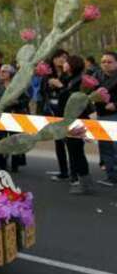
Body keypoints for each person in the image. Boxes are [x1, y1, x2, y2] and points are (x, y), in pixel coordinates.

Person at [60, 55, 92, 194]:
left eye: (66, 62)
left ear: (72, 64)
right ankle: (78, 180)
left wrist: (61, 87)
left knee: (76, 151)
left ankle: (84, 183)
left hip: (77, 119)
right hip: (69, 119)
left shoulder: (79, 80)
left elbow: (74, 99)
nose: (64, 63)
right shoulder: (68, 78)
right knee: (73, 151)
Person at [0, 64, 29, 173]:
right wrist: (3, 100)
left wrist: (17, 102)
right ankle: (0, 164)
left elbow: (26, 98)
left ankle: (15, 164)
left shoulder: (18, 85)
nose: (1, 73)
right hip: (0, 115)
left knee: (15, 140)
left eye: (4, 71)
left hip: (15, 114)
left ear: (11, 74)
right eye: (1, 71)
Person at [41, 49, 70, 181]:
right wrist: (49, 85)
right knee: (58, 142)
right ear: (53, 59)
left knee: (71, 142)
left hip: (67, 112)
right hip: (52, 111)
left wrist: (59, 85)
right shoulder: (48, 75)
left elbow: (70, 92)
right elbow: (42, 92)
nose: (61, 59)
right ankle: (63, 171)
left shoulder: (69, 74)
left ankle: (75, 173)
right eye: (58, 57)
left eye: (64, 57)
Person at [94, 51, 117, 187]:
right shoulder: (97, 76)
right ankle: (111, 176)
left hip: (114, 115)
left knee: (115, 146)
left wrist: (115, 105)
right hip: (101, 115)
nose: (106, 64)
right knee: (105, 147)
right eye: (103, 62)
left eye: (109, 62)